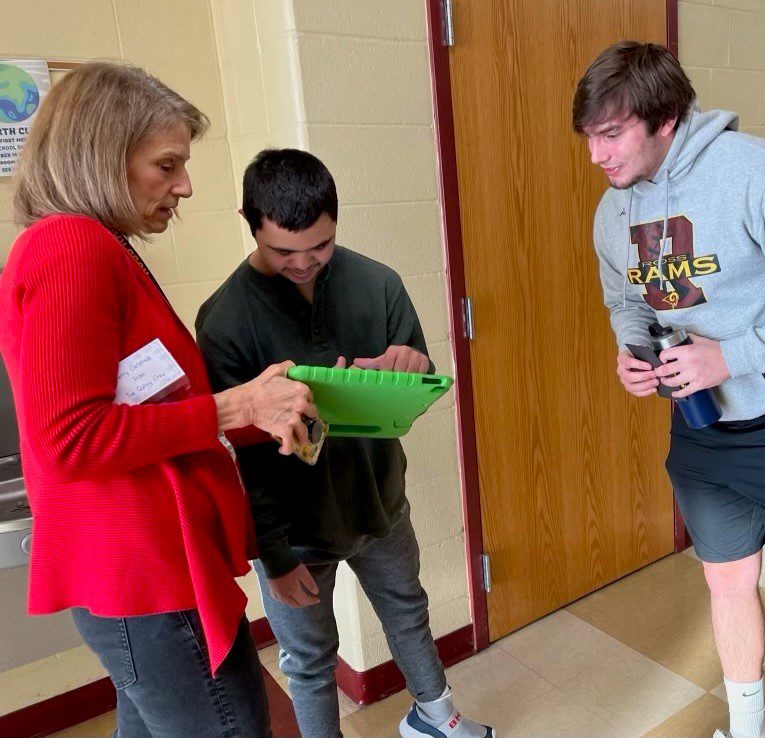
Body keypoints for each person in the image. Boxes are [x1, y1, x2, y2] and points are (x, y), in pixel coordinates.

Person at [0, 62, 320, 737]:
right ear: (101, 157)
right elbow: (72, 435)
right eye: (166, 164)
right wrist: (236, 409)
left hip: (141, 570)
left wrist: (262, 406)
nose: (185, 186)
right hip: (141, 571)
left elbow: (149, 407)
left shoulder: (95, 248)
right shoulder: (71, 249)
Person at [573, 41, 765, 738]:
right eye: (588, 137)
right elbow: (626, 299)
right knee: (725, 581)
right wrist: (634, 352)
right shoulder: (613, 211)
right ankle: (747, 730)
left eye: (610, 133)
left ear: (665, 119)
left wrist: (735, 358)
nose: (596, 155)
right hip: (699, 427)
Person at [196, 148, 493, 738]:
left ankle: (435, 717)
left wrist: (411, 367)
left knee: (408, 612)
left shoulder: (378, 283)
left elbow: (417, 385)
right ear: (250, 222)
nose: (305, 264)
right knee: (308, 660)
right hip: (294, 531)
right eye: (285, 251)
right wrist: (275, 560)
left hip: (380, 503)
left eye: (321, 246)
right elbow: (244, 459)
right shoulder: (225, 319)